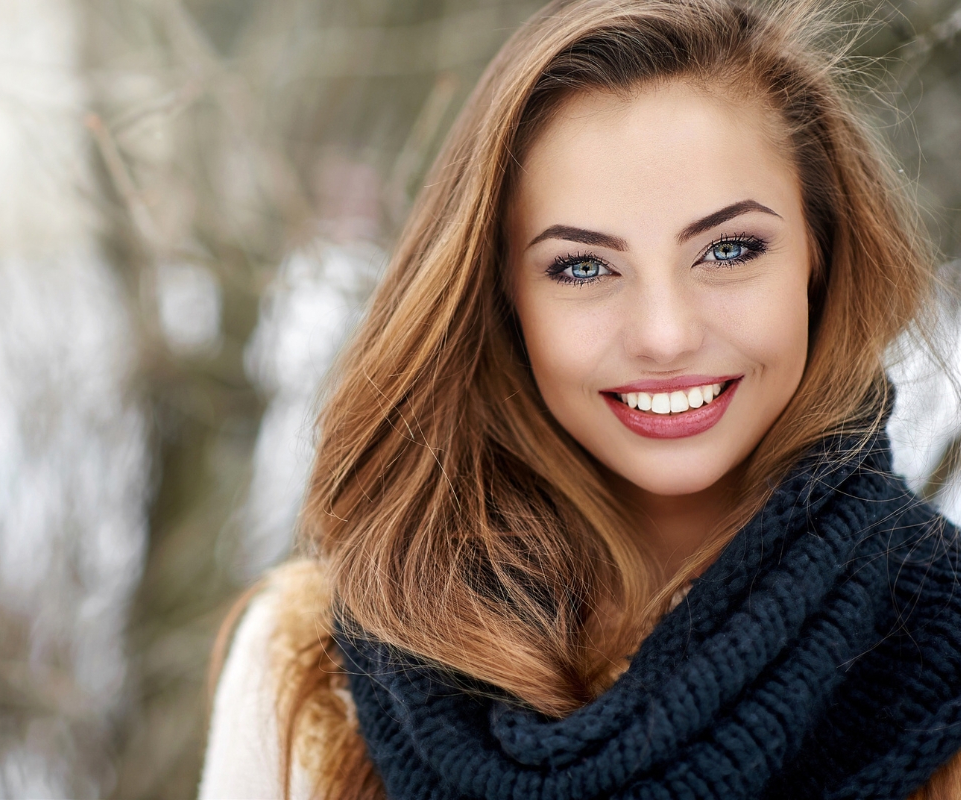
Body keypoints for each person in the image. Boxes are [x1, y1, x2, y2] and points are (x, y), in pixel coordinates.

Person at [200, 0, 961, 797]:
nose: (664, 336)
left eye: (729, 250)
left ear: (821, 256)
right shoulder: (315, 674)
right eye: (583, 268)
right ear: (501, 298)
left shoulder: (942, 658)